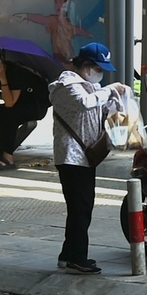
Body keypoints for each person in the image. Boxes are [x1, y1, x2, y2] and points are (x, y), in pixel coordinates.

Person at [48, 43, 132, 275]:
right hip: (71, 156)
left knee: (80, 207)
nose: (100, 74)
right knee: (80, 208)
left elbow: (101, 110)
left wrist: (117, 103)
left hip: (85, 157)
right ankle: (77, 258)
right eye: (98, 68)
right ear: (86, 66)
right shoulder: (66, 86)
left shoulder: (90, 87)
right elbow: (84, 104)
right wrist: (109, 90)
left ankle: (67, 255)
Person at [0, 51, 49, 169]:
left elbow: (10, 103)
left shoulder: (16, 72)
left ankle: (7, 157)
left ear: (1, 58)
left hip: (34, 106)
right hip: (15, 105)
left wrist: (3, 78)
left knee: (10, 115)